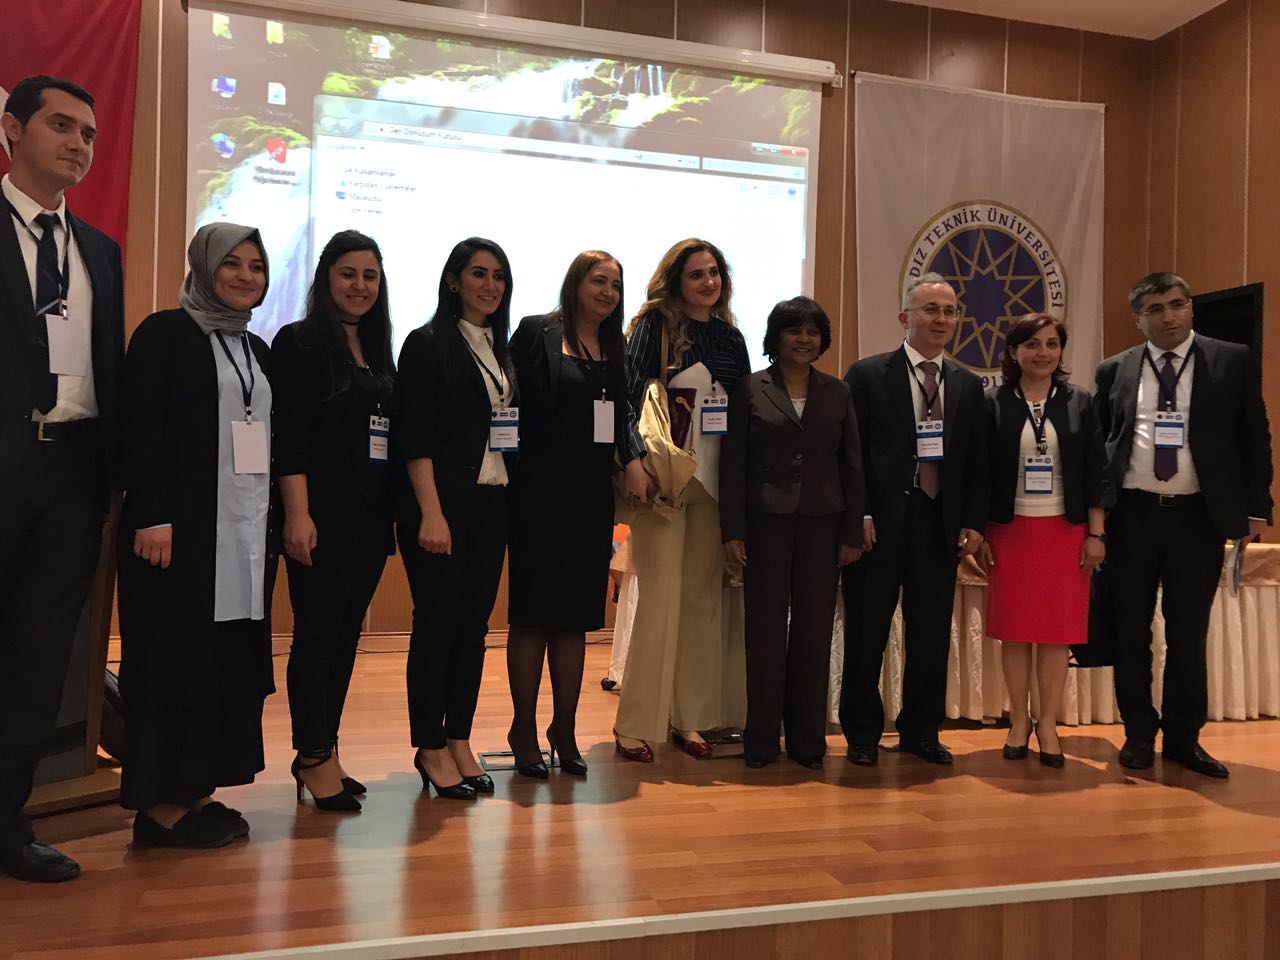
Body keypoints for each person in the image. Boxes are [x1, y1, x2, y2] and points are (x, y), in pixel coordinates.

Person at [0, 76, 124, 883]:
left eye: (88, 132)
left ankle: (6, 822)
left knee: (38, 660)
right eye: (60, 125)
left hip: (72, 476)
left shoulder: (100, 252)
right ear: (12, 130)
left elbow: (108, 370)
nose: (78, 143)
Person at [117, 222, 276, 847]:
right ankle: (159, 808)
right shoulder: (164, 334)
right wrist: (152, 514)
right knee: (172, 663)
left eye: (256, 266)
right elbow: (140, 428)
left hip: (239, 537)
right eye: (231, 263)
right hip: (176, 535)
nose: (244, 276)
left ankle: (196, 790)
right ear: (204, 268)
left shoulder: (254, 348)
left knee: (219, 664)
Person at [1095, 272, 1273, 778]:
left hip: (1198, 517)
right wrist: (1096, 517)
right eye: (1154, 309)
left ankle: (1183, 738)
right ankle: (1137, 734)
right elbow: (1103, 444)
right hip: (1131, 516)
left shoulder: (1230, 359)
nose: (1168, 316)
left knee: (1188, 632)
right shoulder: (1115, 369)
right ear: (1138, 318)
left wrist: (1255, 510)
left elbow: (1254, 437)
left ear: (1191, 307)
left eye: (1176, 304)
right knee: (1130, 631)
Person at [505, 251, 650, 777]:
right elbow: (507, 403)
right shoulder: (536, 332)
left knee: (574, 620)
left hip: (589, 498)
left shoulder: (616, 345)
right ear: (576, 283)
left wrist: (632, 460)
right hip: (536, 495)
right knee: (532, 618)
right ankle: (523, 729)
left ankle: (563, 730)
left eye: (616, 284)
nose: (609, 292)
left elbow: (623, 412)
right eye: (599, 281)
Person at [840, 272, 988, 767]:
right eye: (930, 309)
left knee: (930, 636)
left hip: (938, 528)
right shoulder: (867, 375)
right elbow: (850, 454)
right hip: (878, 527)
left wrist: (973, 521)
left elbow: (976, 463)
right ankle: (862, 733)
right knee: (868, 633)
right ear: (905, 317)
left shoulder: (968, 385)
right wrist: (858, 512)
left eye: (949, 311)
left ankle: (921, 731)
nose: (941, 319)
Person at [613, 238, 752, 762]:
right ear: (676, 282)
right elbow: (627, 400)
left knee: (701, 605)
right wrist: (632, 462)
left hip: (715, 487)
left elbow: (744, 413)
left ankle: (689, 718)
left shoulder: (731, 338)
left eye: (714, 272)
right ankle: (634, 725)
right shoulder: (655, 325)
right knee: (660, 603)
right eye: (696, 274)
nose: (708, 282)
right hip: (663, 483)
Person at [272, 231, 396, 811]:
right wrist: (297, 515)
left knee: (346, 637)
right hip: (318, 518)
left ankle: (327, 749)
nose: (359, 286)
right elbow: (290, 438)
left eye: (370, 276)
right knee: (317, 636)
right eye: (348, 274)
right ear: (325, 278)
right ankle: (312, 754)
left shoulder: (377, 347)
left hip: (369, 519)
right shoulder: (298, 343)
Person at [719, 297, 864, 769]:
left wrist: (851, 530)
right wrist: (732, 530)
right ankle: (761, 740)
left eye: (813, 332)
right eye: (794, 330)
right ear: (776, 337)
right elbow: (733, 464)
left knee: (813, 634)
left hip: (823, 526)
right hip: (765, 525)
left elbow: (852, 466)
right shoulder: (749, 388)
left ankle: (807, 742)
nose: (804, 339)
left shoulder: (838, 392)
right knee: (763, 633)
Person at [395, 237, 516, 799]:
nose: (490, 285)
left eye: (498, 276)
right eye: (478, 274)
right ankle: (429, 745)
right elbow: (413, 437)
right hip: (440, 507)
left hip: (492, 503)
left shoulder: (501, 347)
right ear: (453, 280)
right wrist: (431, 513)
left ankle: (459, 738)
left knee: (474, 629)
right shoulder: (426, 344)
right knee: (437, 625)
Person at [978, 314, 1113, 767]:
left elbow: (1096, 471)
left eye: (1052, 344)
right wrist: (980, 530)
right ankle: (1019, 720)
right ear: (1013, 352)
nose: (1043, 352)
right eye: (1032, 344)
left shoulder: (1079, 402)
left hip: (1066, 532)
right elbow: (979, 473)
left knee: (1056, 634)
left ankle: (1048, 724)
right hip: (1010, 531)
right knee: (1015, 633)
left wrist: (1096, 533)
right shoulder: (993, 403)